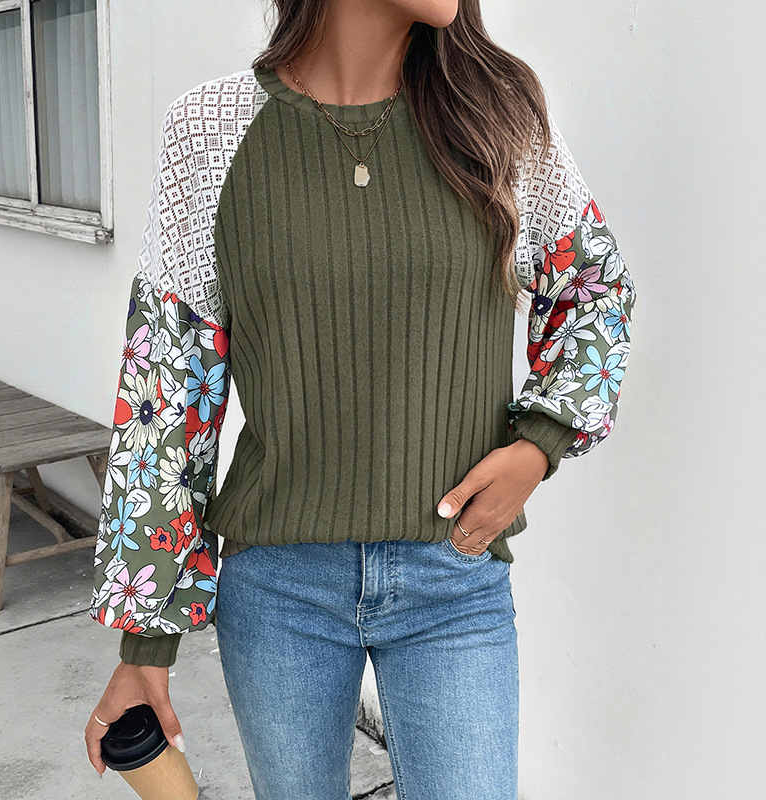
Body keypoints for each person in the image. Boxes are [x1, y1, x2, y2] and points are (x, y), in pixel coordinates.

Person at [84, 1, 636, 797]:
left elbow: (595, 290)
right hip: (279, 588)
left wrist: (538, 444)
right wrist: (145, 649)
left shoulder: (495, 117)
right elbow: (167, 386)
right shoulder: (209, 131)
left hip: (453, 579)